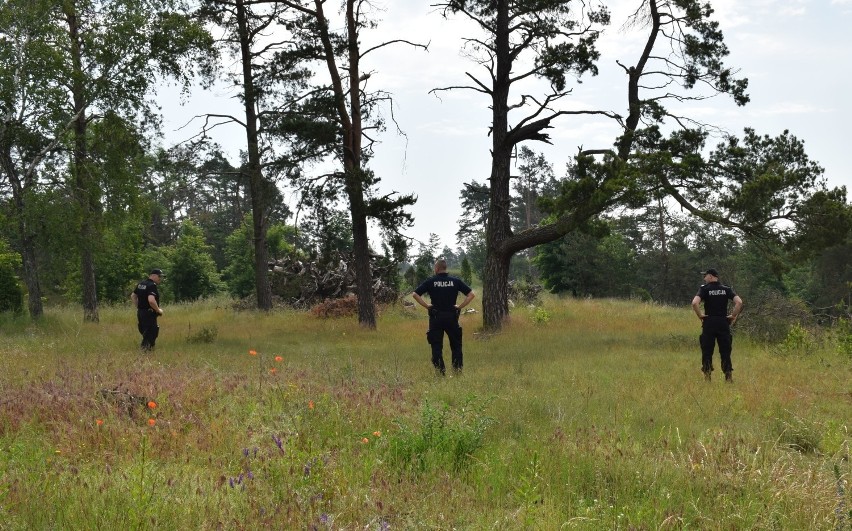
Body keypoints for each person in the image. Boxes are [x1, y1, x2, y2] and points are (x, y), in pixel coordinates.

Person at [412, 258, 475, 375]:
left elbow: (415, 294)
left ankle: (441, 373)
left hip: (436, 317)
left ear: (436, 269)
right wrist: (459, 306)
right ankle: (457, 372)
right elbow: (471, 294)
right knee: (456, 346)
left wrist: (427, 306)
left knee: (436, 346)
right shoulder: (455, 281)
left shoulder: (431, 281)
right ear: (445, 268)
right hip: (452, 317)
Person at [691, 268, 743, 382]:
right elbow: (739, 302)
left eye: (705, 276)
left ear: (710, 276)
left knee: (707, 351)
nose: (704, 278)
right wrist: (733, 316)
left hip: (709, 322)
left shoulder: (704, 289)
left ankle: (707, 377)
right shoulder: (726, 289)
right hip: (723, 323)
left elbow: (694, 303)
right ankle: (728, 377)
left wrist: (700, 315)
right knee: (725, 351)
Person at [131, 269, 164, 351]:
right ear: (154, 275)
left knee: (146, 334)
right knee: (150, 335)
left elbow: (133, 296)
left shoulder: (141, 284)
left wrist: (139, 307)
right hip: (149, 314)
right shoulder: (152, 285)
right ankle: (144, 354)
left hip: (141, 313)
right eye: (159, 276)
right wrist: (158, 310)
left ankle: (148, 355)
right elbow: (151, 300)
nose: (160, 279)